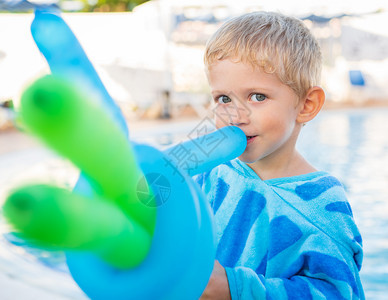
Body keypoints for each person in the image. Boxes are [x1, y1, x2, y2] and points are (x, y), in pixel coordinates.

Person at [196, 11, 364, 299]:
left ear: (306, 105)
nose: (236, 116)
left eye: (257, 96)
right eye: (224, 99)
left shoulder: (321, 204)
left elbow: (338, 293)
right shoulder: (211, 172)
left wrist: (234, 288)